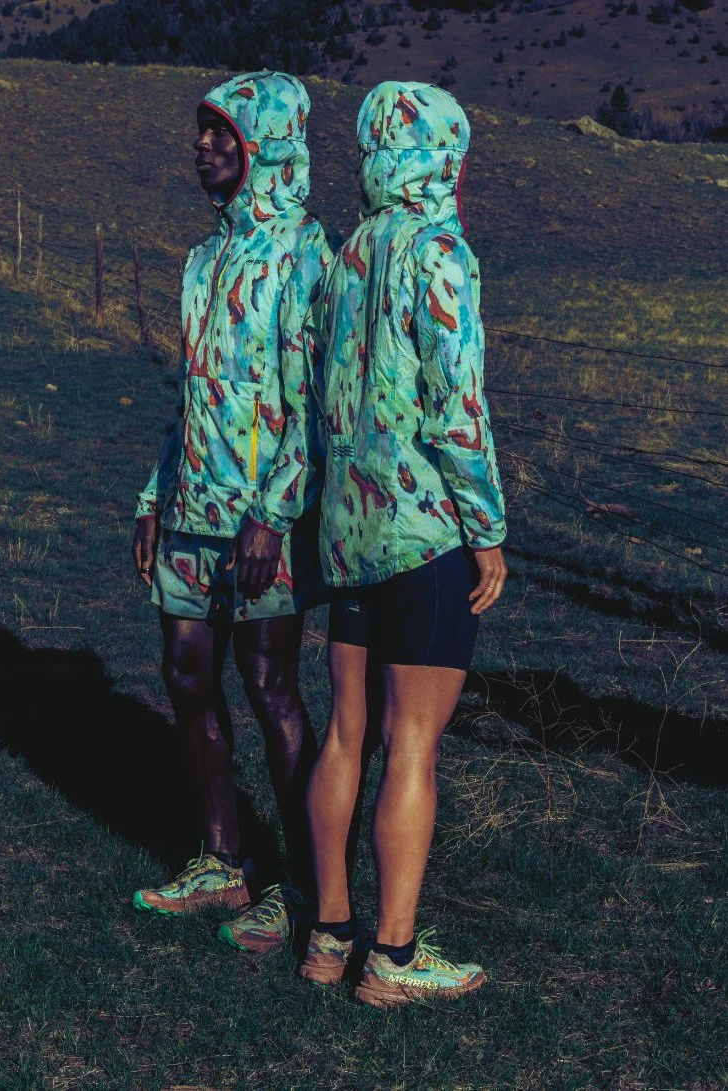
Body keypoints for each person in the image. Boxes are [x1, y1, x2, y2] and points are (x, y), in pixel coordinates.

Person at [298, 81, 508, 1008]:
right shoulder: (440, 253)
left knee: (347, 730)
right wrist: (488, 530)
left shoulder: (345, 254)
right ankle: (393, 955)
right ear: (444, 153)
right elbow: (458, 414)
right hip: (422, 532)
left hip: (345, 533)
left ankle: (326, 935)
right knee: (411, 743)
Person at [131, 70, 331, 953]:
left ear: (266, 145)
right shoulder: (202, 260)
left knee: (269, 683)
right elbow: (194, 396)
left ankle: (301, 882)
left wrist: (274, 512)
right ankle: (222, 859)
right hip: (191, 509)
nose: (203, 147)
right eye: (201, 132)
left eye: (222, 133)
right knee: (184, 670)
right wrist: (153, 493)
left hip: (263, 521)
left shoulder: (304, 254)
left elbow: (314, 402)